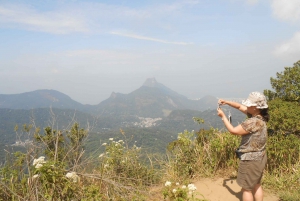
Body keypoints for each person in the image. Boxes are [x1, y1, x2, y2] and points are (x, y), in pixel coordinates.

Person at [217, 92, 269, 201]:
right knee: (256, 184)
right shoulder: (261, 118)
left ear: (255, 108)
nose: (247, 106)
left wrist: (223, 116)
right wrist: (226, 102)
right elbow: (240, 106)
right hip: (261, 157)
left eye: (250, 104)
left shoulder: (252, 122)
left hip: (250, 160)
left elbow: (233, 131)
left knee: (246, 189)